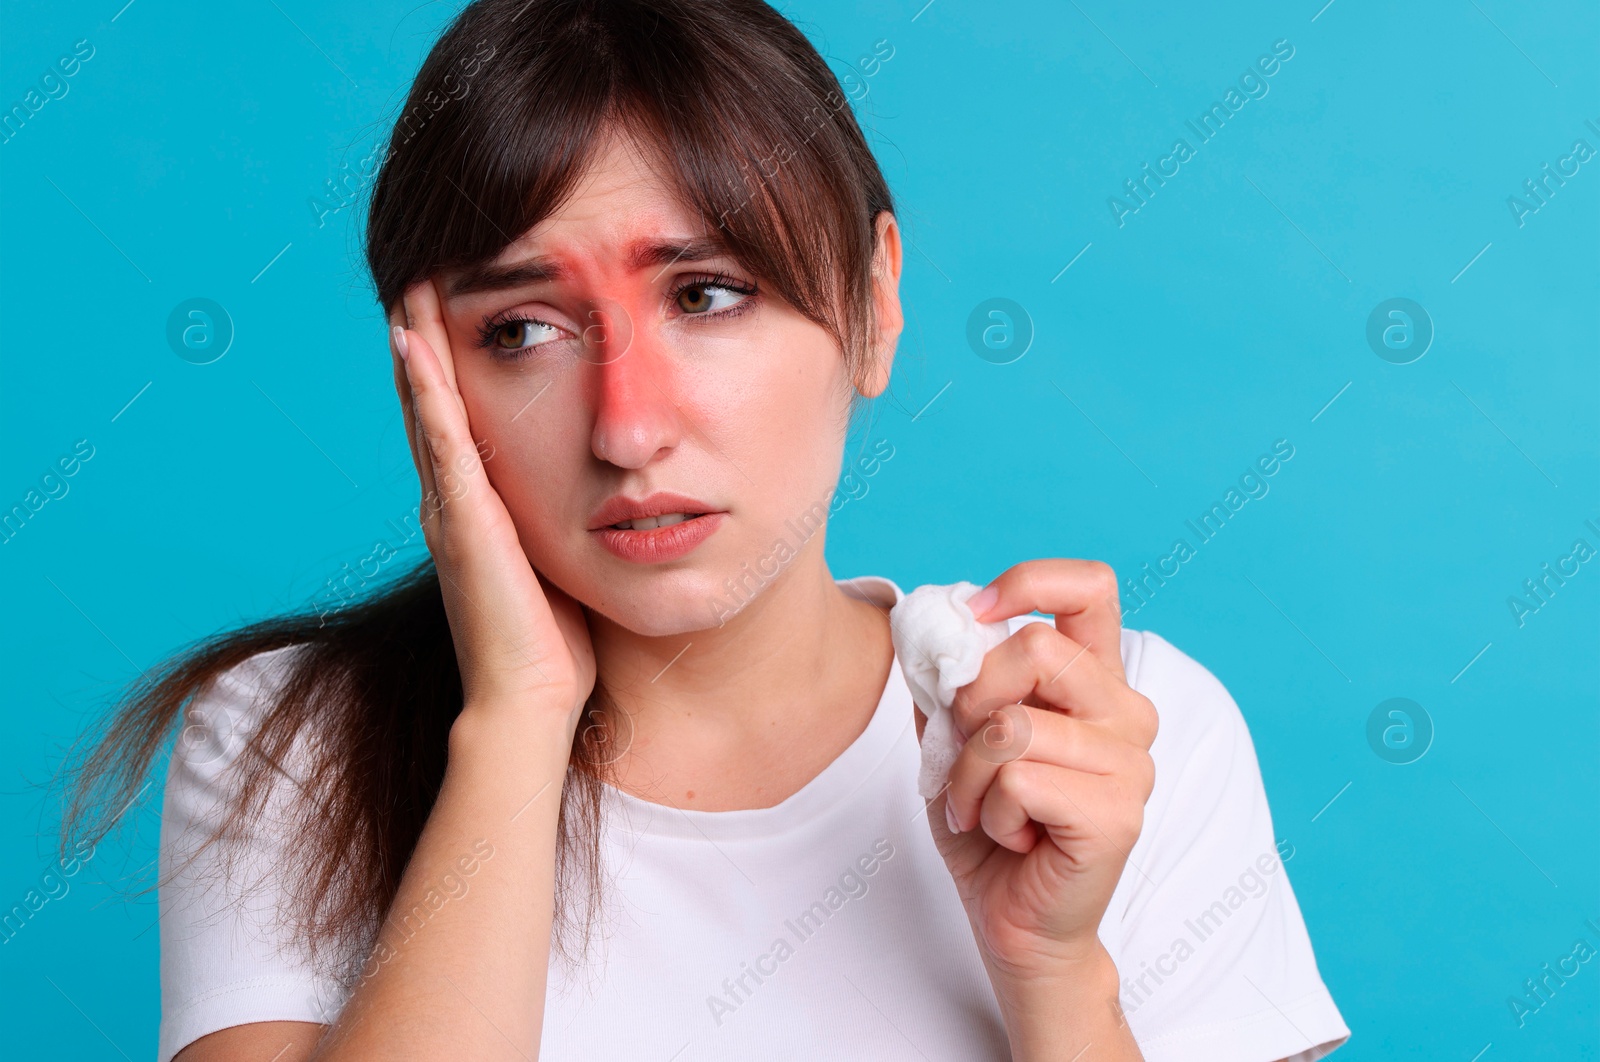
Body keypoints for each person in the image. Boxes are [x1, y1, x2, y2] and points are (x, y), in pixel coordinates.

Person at [61, 1, 1351, 1059]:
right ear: (426, 376)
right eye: (523, 329)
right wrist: (515, 723)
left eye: (708, 295)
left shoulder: (1112, 734)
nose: (627, 426)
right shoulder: (297, 742)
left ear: (875, 301)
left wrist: (1055, 971)